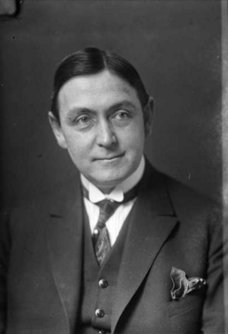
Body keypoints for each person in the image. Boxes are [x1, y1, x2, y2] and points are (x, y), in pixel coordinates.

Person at [0, 47, 224, 334]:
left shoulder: (213, 226)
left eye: (120, 114)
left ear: (148, 116)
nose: (106, 138)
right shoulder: (15, 228)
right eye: (83, 119)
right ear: (58, 130)